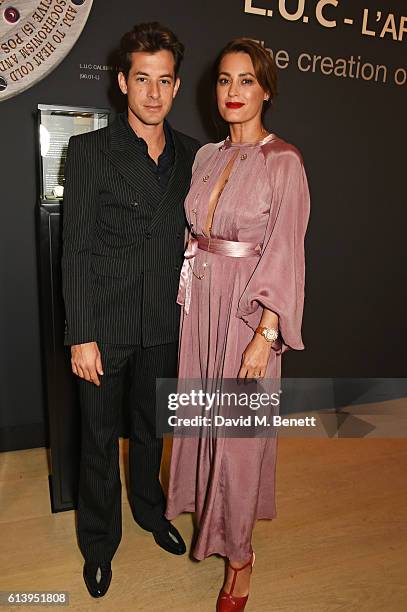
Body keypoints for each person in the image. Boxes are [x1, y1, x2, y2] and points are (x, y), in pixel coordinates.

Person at [165, 38, 310, 611]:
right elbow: (196, 233)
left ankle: (242, 561)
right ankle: (212, 527)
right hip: (200, 307)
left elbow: (287, 253)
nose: (232, 92)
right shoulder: (206, 156)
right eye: (224, 80)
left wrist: (266, 333)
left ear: (266, 90)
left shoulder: (285, 163)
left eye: (246, 80)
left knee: (239, 441)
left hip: (248, 314)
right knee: (204, 425)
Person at [61, 22, 200, 598]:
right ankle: (98, 543)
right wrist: (82, 333)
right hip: (106, 324)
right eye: (141, 79)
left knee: (150, 432)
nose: (152, 93)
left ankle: (149, 510)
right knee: (96, 440)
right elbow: (78, 245)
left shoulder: (195, 154)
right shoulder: (90, 149)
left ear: (175, 85)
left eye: (163, 81)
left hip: (162, 326)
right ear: (122, 82)